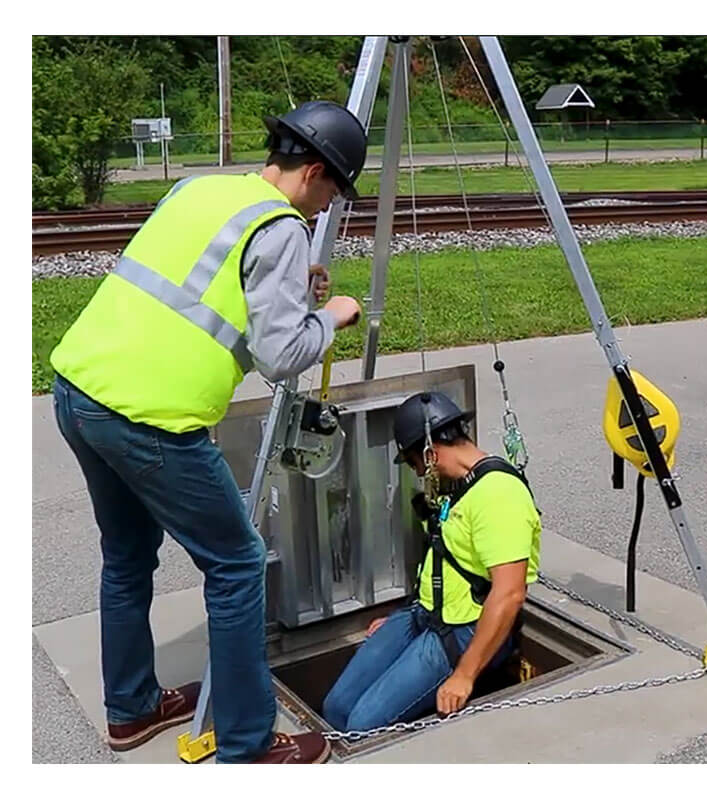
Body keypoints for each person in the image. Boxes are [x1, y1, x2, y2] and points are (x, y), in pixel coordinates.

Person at [49, 101, 367, 764]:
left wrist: (288, 290)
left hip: (79, 388)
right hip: (150, 418)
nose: (325, 209)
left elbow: (200, 286)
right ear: (314, 171)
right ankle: (249, 746)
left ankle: (131, 710)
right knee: (237, 564)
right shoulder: (283, 229)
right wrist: (333, 314)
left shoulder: (203, 187)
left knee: (129, 556)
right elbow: (281, 357)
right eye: (333, 193)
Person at [322, 391, 541, 731]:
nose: (416, 472)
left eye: (413, 463)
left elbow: (510, 593)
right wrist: (402, 619)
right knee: (336, 707)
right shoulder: (456, 486)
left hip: (464, 628)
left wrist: (464, 676)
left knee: (362, 725)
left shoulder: (499, 496)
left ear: (429, 451)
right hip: (425, 613)